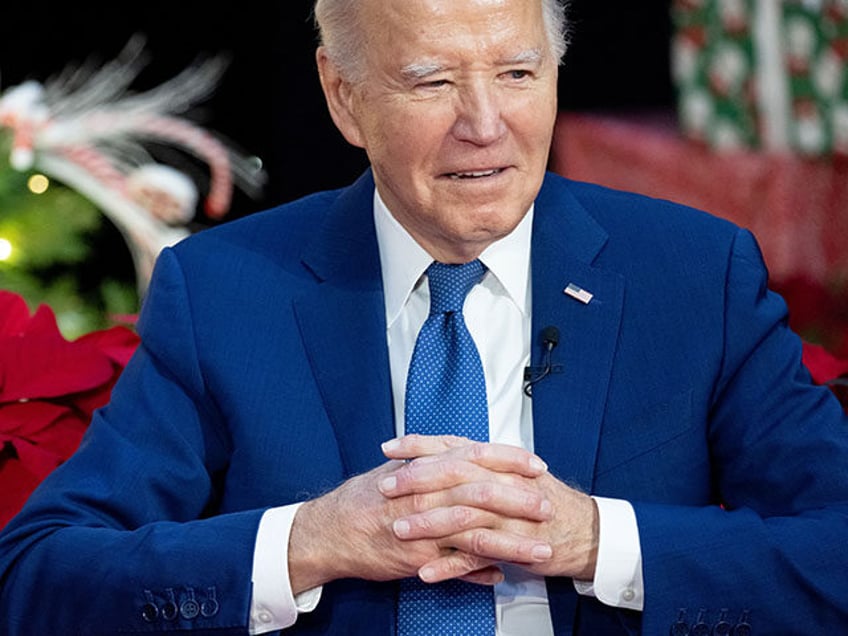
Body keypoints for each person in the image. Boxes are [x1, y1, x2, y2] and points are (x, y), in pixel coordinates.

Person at [2, 0, 848, 633]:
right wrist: (308, 543)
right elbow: (39, 574)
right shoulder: (224, 292)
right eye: (431, 81)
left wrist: (596, 540)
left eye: (518, 74)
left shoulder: (695, 274)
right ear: (343, 96)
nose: (485, 126)